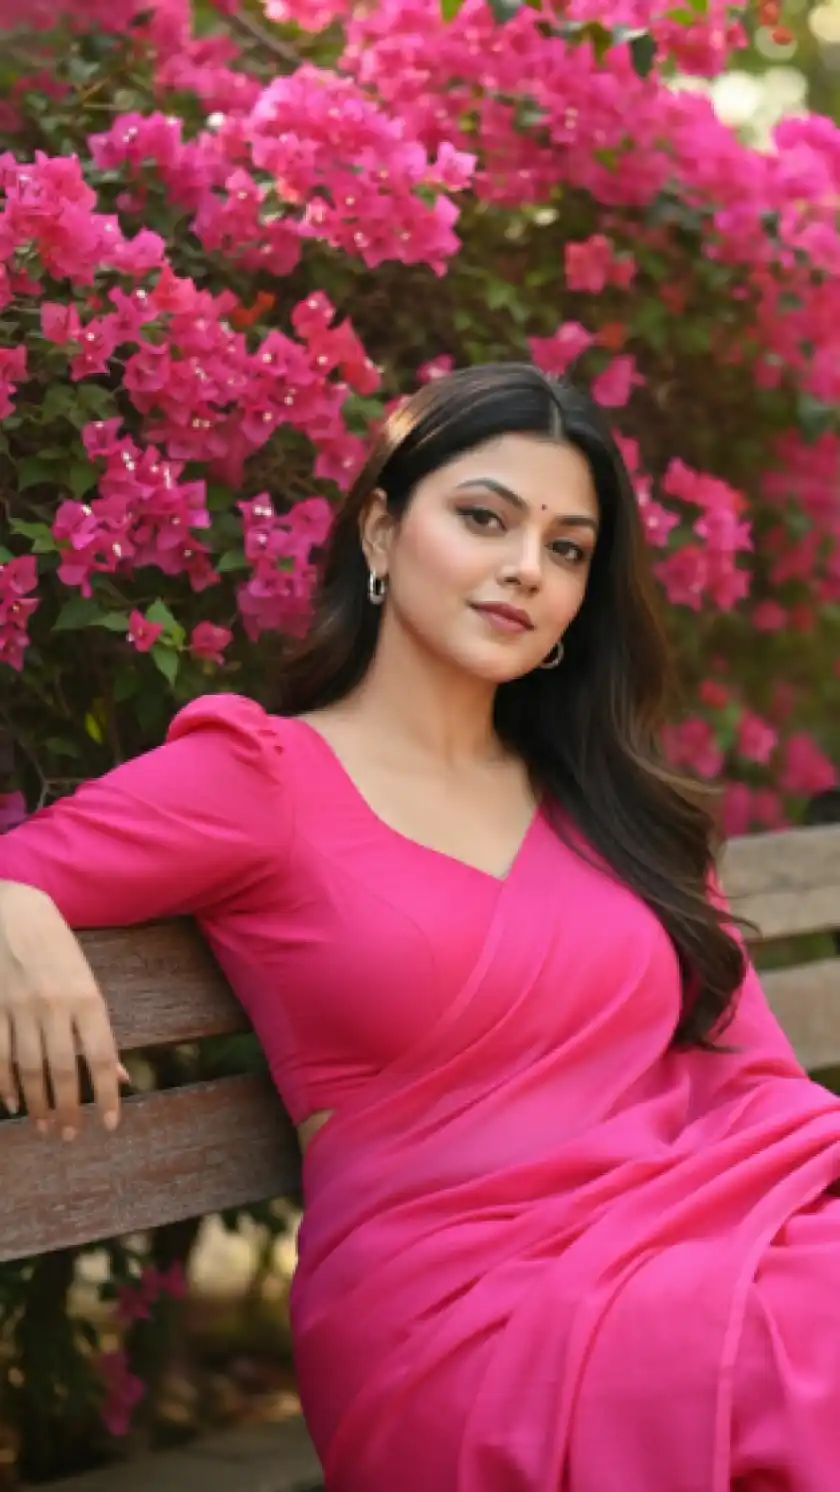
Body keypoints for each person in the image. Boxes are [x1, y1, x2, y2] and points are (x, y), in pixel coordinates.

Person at [1, 362, 839, 1492]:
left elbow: (765, 1093)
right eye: (484, 517)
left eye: (567, 548)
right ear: (384, 534)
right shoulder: (261, 778)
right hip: (460, 1317)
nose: (523, 568)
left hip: (705, 1245)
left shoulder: (618, 809)